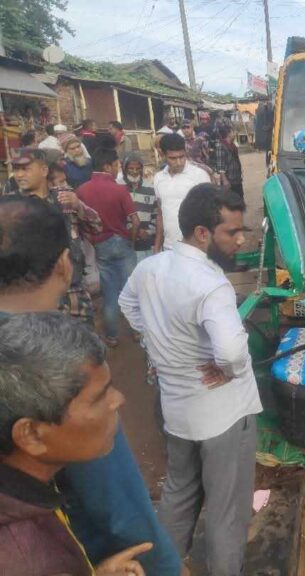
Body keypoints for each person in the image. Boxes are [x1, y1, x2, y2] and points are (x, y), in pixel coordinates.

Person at [0, 196, 182, 575]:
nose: (117, 401)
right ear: (66, 263)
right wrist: (166, 567)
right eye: (101, 396)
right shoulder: (56, 371)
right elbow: (119, 503)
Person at [119, 185, 262, 576]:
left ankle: (163, 567)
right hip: (224, 415)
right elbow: (232, 352)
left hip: (178, 410)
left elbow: (126, 304)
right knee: (226, 507)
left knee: (179, 492)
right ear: (202, 233)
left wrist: (157, 347)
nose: (241, 239)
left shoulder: (150, 268)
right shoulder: (211, 284)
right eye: (231, 232)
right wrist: (228, 369)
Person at [0, 313, 155, 576]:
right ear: (32, 435)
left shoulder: (24, 489)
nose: (118, 400)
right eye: (99, 397)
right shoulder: (28, 560)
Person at [5, 148, 101, 326]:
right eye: (16, 169)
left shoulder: (64, 199)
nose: (18, 175)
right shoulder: (9, 206)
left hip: (74, 293)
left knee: (82, 346)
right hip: (32, 299)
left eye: (25, 169)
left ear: (43, 170)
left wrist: (78, 206)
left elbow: (96, 228)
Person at [76, 148, 139, 347]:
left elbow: (80, 223)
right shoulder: (120, 189)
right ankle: (137, 331)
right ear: (107, 166)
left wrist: (93, 240)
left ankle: (112, 335)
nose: (117, 169)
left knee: (109, 294)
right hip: (122, 241)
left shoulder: (81, 190)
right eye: (116, 165)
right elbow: (135, 221)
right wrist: (132, 240)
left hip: (100, 244)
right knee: (132, 290)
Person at [153, 133, 210, 252]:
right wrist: (157, 245)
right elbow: (160, 213)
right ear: (162, 155)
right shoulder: (158, 178)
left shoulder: (199, 175)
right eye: (173, 158)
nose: (179, 162)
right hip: (169, 246)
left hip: (195, 247)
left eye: (182, 156)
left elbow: (210, 213)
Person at [124, 152, 158, 262]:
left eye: (137, 168)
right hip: (125, 242)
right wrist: (131, 230)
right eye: (131, 168)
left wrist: (149, 232)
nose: (134, 172)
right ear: (125, 169)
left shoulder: (150, 188)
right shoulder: (118, 186)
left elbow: (156, 214)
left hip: (145, 243)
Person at [212, 124, 244, 197]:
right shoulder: (221, 146)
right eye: (233, 131)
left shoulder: (233, 145)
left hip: (236, 178)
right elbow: (220, 166)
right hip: (229, 179)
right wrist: (225, 180)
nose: (235, 133)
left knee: (239, 197)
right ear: (229, 134)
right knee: (231, 200)